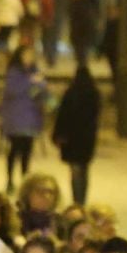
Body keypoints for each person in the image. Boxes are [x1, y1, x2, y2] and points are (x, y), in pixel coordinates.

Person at [50, 63, 100, 206]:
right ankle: (82, 199)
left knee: (75, 171)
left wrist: (58, 134)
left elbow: (62, 116)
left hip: (72, 140)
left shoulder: (71, 93)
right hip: (86, 140)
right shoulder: (94, 94)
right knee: (84, 171)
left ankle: (77, 200)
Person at [0, 46, 47, 191]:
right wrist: (32, 82)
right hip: (15, 118)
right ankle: (10, 180)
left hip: (31, 118)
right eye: (26, 54)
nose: (29, 58)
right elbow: (12, 90)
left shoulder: (35, 72)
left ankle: (25, 180)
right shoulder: (14, 73)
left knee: (27, 151)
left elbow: (42, 90)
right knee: (14, 150)